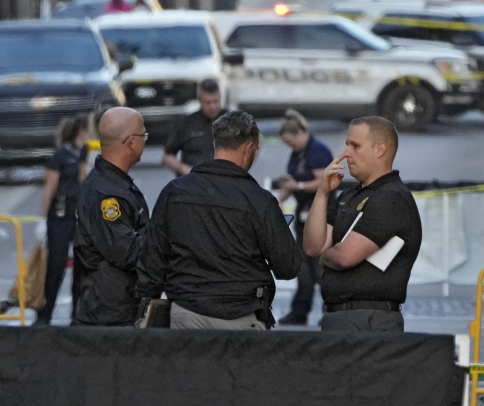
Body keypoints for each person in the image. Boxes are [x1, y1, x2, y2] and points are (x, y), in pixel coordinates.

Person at [137, 110, 303, 330]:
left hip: (186, 314)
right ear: (250, 148)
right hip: (242, 317)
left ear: (217, 143)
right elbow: (288, 267)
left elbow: (153, 261)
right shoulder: (259, 200)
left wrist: (142, 313)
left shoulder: (175, 192)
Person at [303, 116, 422, 332]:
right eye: (347, 145)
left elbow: (344, 257)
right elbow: (312, 246)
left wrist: (325, 255)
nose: (346, 153)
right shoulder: (347, 196)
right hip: (337, 315)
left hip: (370, 319)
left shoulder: (393, 198)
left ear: (379, 150)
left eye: (355, 146)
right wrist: (322, 193)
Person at [73, 107, 149, 326]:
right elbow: (126, 251)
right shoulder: (106, 194)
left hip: (119, 306)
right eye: (143, 135)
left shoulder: (114, 184)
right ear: (131, 142)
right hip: (110, 315)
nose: (144, 141)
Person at [276, 109, 333, 326]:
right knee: (302, 266)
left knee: (320, 264)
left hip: (320, 212)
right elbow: (293, 179)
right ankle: (299, 310)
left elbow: (323, 182)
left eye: (291, 142)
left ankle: (332, 311)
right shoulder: (298, 153)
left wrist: (298, 185)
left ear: (300, 133)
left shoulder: (316, 151)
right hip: (303, 211)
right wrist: (283, 196)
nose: (291, 147)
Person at [35, 115, 89, 325]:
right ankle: (44, 314)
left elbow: (84, 179)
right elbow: (50, 188)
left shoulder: (84, 153)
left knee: (80, 267)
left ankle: (77, 315)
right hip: (59, 215)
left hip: (77, 215)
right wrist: (42, 218)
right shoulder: (61, 155)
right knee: (55, 266)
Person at [162, 79, 227, 176]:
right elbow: (167, 156)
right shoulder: (187, 124)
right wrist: (184, 169)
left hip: (223, 179)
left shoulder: (231, 120)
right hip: (193, 180)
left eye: (215, 101)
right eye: (208, 103)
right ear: (199, 100)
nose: (212, 107)